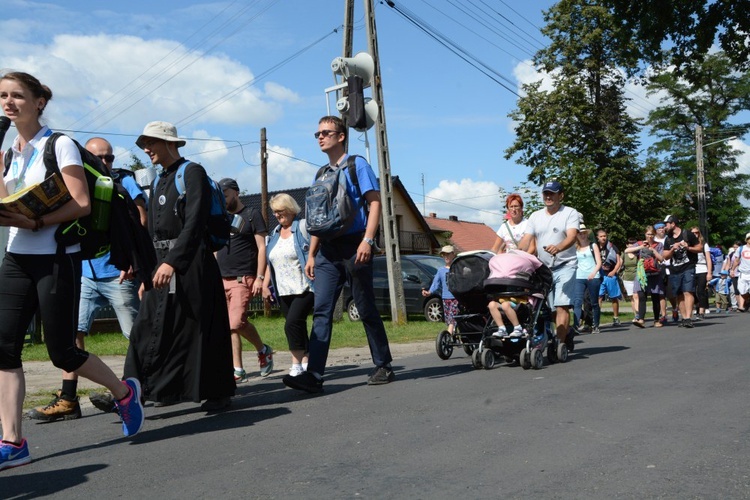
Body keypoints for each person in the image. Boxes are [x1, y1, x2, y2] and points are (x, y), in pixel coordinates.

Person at [0, 72, 144, 470]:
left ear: (38, 102)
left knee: (61, 349)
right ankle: (13, 442)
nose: (8, 103)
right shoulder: (10, 150)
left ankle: (123, 392)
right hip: (15, 255)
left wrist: (36, 223)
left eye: (16, 96)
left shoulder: (58, 144)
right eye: (2, 96)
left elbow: (80, 202)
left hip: (55, 254)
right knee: (3, 348)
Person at [27, 137, 147, 421]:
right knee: (72, 335)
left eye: (110, 158)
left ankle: (135, 387)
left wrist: (129, 259)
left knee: (135, 334)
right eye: (99, 158)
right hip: (82, 272)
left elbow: (140, 219)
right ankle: (68, 399)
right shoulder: (75, 180)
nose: (105, 163)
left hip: (116, 272)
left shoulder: (122, 182)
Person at [123, 121, 234, 411]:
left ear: (170, 143)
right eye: (144, 143)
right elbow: (151, 233)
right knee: (147, 325)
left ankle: (216, 390)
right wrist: (145, 271)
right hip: (161, 264)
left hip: (191, 263)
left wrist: (173, 262)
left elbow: (195, 222)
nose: (146, 149)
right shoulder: (159, 179)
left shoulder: (192, 172)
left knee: (197, 327)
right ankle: (134, 392)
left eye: (152, 142)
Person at [282, 115, 393, 393]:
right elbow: (318, 220)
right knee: (321, 311)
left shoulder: (358, 165)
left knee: (365, 307)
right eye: (317, 133)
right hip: (327, 252)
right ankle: (314, 375)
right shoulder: (321, 174)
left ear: (341, 136)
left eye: (326, 132)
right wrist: (311, 255)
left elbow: (375, 203)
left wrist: (368, 240)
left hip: (355, 245)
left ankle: (383, 364)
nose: (320, 137)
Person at [216, 178, 273, 382]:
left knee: (236, 322)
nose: (223, 197)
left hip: (243, 277)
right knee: (231, 325)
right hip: (221, 278)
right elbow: (215, 249)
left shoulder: (251, 215)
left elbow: (262, 248)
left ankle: (263, 349)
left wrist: (259, 277)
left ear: (236, 192)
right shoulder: (220, 217)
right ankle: (238, 369)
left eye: (225, 193)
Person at [517, 180, 580, 351]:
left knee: (562, 305)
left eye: (552, 193)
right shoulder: (535, 216)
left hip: (566, 265)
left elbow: (572, 236)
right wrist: (514, 252)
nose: (548, 196)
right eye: (546, 193)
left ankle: (558, 345)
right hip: (543, 269)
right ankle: (566, 333)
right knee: (550, 310)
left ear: (561, 195)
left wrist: (558, 247)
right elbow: (526, 240)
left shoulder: (570, 213)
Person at [262, 193, 314, 377]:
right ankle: (307, 359)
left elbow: (314, 252)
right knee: (297, 325)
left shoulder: (302, 228)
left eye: (280, 210)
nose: (277, 215)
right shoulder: (274, 234)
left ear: (291, 209)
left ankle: (296, 364)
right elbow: (271, 263)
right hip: (283, 290)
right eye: (274, 212)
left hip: (304, 287)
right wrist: (264, 285)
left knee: (291, 324)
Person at [486, 249, 544, 338]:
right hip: (505, 301)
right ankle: (501, 328)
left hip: (520, 303)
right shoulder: (503, 278)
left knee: (505, 305)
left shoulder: (523, 277)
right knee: (491, 304)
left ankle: (518, 328)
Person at [661, 215, 701, 328]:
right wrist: (673, 249)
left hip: (688, 267)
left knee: (688, 291)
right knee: (679, 294)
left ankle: (688, 318)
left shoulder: (687, 234)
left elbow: (699, 248)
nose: (665, 226)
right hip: (675, 269)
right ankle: (684, 318)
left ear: (673, 224)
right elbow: (665, 256)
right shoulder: (668, 239)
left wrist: (688, 247)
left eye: (666, 224)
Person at [625, 225, 666, 328]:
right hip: (642, 274)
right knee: (641, 296)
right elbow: (626, 251)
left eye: (652, 234)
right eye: (648, 234)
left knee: (655, 297)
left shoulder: (659, 245)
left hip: (655, 273)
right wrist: (641, 247)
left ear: (654, 234)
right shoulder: (639, 244)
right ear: (645, 234)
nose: (650, 236)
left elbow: (661, 258)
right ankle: (641, 319)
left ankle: (656, 319)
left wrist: (653, 250)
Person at [422, 245, 458, 335]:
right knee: (449, 320)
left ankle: (448, 336)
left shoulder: (458, 269)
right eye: (444, 255)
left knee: (452, 319)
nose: (446, 257)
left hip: (456, 299)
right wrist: (429, 292)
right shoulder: (441, 270)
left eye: (448, 254)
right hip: (445, 298)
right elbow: (436, 283)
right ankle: (452, 335)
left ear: (453, 254)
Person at [573, 224, 602, 334]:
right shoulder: (575, 248)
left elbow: (599, 262)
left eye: (584, 233)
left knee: (594, 302)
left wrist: (593, 273)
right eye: (580, 233)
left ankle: (595, 325)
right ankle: (575, 326)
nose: (582, 235)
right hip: (579, 276)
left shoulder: (593, 245)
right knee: (577, 301)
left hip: (593, 276)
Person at [596, 229, 623, 326]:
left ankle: (616, 318)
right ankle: (596, 318)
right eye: (601, 236)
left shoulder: (612, 246)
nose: (603, 238)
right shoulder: (595, 247)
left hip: (610, 274)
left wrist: (614, 271)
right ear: (597, 238)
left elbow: (618, 260)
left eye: (605, 236)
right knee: (598, 296)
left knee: (614, 297)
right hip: (600, 275)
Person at [690, 227, 713, 320]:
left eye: (697, 233)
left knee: (701, 291)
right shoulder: (688, 245)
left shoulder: (704, 245)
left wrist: (709, 273)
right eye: (693, 233)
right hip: (691, 268)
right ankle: (697, 305)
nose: (695, 234)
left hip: (702, 268)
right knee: (690, 291)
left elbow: (708, 259)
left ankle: (701, 311)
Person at [730, 232, 750, 311]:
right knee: (742, 291)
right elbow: (736, 260)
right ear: (746, 239)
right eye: (749, 238)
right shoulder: (741, 248)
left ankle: (744, 304)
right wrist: (732, 270)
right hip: (743, 273)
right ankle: (747, 300)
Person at [620, 237, 640, 320]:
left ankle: (639, 314)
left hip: (637, 276)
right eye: (630, 245)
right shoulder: (624, 254)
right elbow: (620, 264)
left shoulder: (638, 253)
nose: (631, 246)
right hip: (627, 278)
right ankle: (635, 314)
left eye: (633, 245)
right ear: (627, 245)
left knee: (637, 296)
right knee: (632, 297)